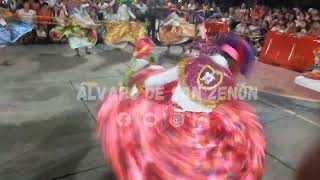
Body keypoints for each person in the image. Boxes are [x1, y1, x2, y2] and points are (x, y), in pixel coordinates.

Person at [97, 34, 265, 180]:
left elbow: (157, 80)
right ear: (235, 64)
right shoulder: (229, 81)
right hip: (203, 128)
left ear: (218, 51)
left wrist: (136, 89)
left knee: (156, 154)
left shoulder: (193, 62)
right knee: (197, 164)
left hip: (174, 120)